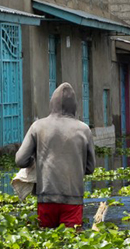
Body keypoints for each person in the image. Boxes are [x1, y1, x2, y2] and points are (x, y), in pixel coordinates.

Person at [15, 82, 96, 229]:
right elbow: (90, 168)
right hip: (73, 200)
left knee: (47, 243)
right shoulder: (84, 130)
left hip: (46, 199)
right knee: (70, 245)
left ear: (52, 103)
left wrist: (37, 162)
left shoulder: (37, 126)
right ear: (75, 105)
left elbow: (20, 160)